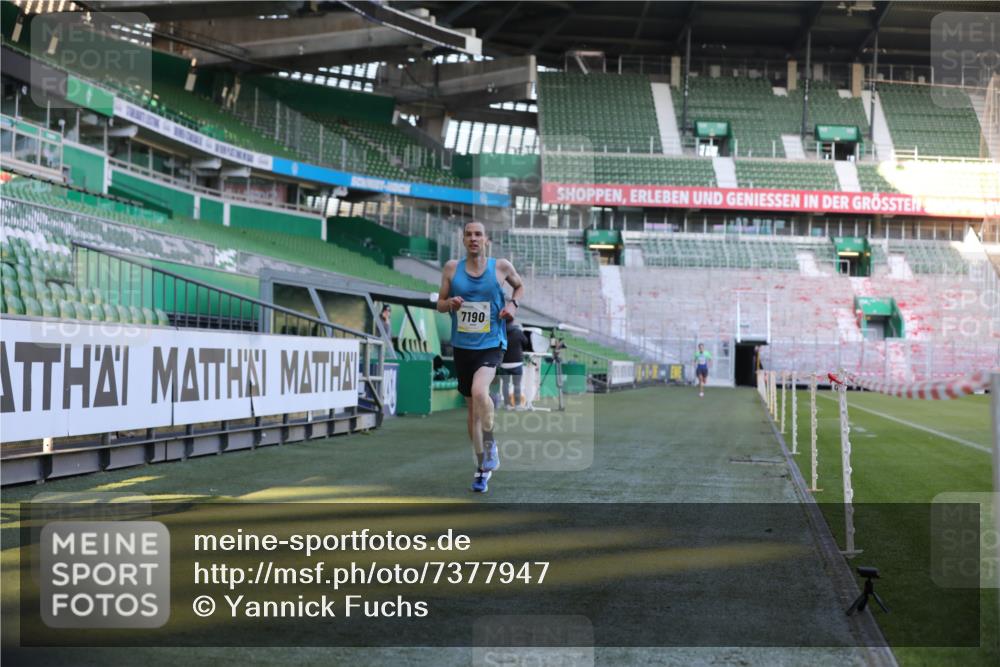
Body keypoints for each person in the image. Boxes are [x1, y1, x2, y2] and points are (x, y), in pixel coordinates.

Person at [437, 221, 525, 493]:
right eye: (468, 235)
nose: (473, 238)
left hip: (491, 343)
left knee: (478, 391)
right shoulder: (452, 268)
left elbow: (519, 287)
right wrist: (449, 304)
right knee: (473, 411)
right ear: (463, 240)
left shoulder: (501, 267)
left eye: (478, 234)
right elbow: (439, 304)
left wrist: (512, 303)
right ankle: (481, 467)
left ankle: (490, 444)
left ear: (486, 240)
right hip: (463, 347)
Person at [499, 318, 530, 409]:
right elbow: (526, 342)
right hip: (517, 362)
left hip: (504, 363)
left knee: (505, 384)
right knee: (517, 384)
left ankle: (507, 404)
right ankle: (517, 405)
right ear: (513, 322)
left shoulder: (501, 332)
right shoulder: (518, 332)